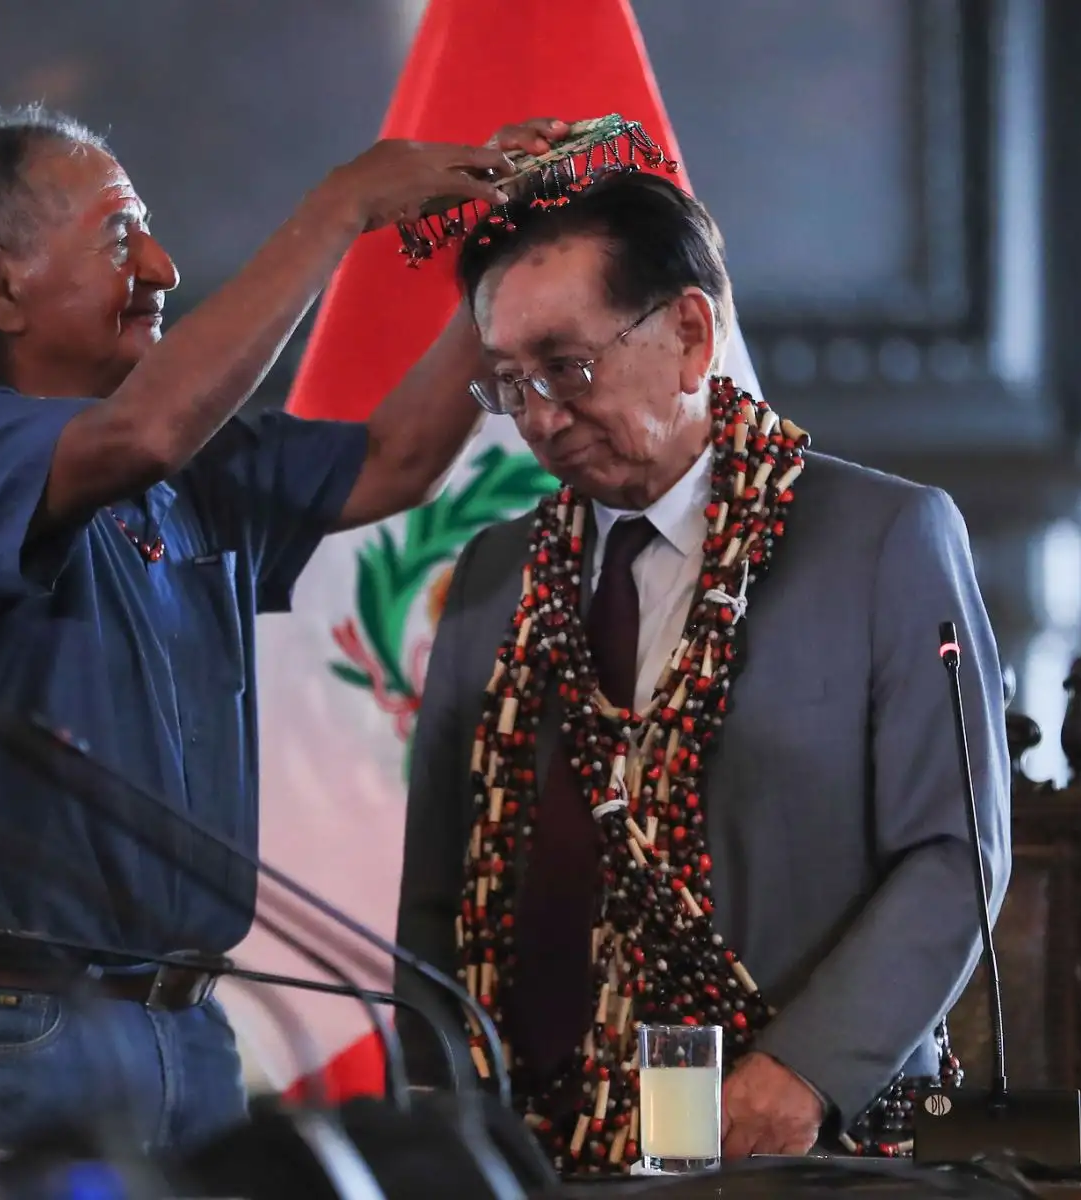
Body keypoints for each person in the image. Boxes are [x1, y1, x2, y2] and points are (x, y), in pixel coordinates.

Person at [0, 105, 570, 1150]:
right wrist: (342, 203)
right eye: (120, 236)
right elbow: (143, 430)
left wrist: (499, 263)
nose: (164, 266)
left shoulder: (183, 469)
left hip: (186, 1033)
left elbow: (395, 459)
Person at [393, 166, 1011, 1175]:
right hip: (526, 1152)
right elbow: (437, 889)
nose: (539, 416)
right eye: (508, 382)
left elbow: (955, 854)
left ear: (687, 333)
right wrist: (435, 1112)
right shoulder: (495, 577)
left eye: (564, 364)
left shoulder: (881, 539)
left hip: (789, 1148)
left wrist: (805, 1073)